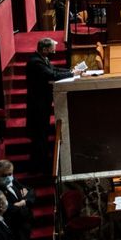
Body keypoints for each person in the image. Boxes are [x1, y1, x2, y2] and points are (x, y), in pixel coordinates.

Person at [26, 38, 79, 171]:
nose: (54, 50)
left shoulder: (42, 59)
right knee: (39, 135)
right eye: (52, 48)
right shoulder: (35, 62)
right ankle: (38, 165)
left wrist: (71, 70)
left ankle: (41, 162)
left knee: (42, 134)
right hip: (37, 105)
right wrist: (72, 73)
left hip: (42, 102)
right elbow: (51, 75)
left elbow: (55, 70)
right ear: (45, 49)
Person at [0, 160, 35, 240]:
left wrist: (23, 202)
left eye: (10, 174)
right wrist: (23, 202)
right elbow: (7, 209)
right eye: (4, 175)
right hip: (13, 231)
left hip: (24, 229)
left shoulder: (12, 180)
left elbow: (31, 191)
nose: (8, 177)